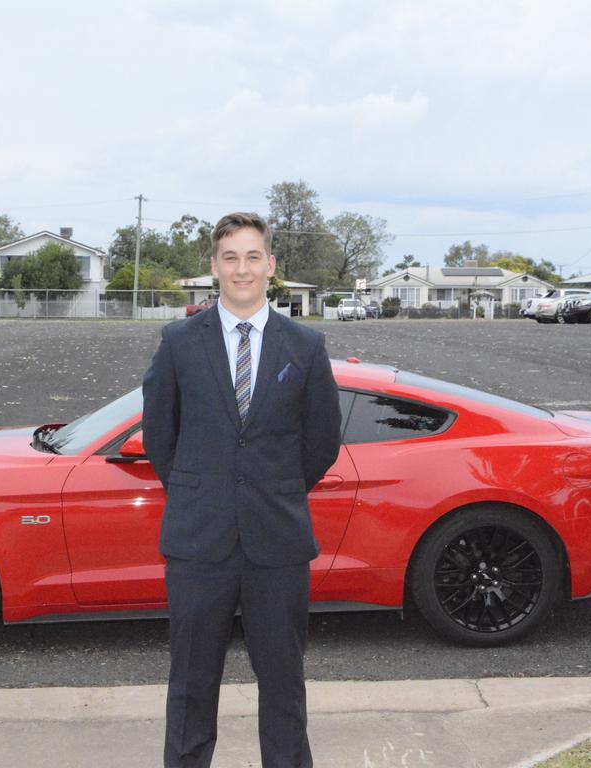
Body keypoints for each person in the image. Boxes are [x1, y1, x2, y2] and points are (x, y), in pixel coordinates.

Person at [142, 212, 343, 768]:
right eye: (230, 257)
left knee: (283, 687)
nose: (242, 268)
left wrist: (271, 491)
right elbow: (162, 438)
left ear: (271, 265)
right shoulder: (179, 342)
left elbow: (321, 442)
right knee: (190, 688)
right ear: (214, 266)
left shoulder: (304, 345)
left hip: (276, 544)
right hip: (198, 544)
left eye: (253, 256)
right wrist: (202, 493)